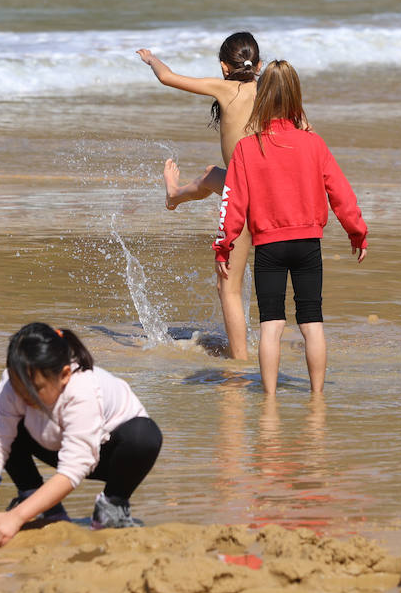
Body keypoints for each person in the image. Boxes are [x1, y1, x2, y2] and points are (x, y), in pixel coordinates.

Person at [212, 61, 368, 396]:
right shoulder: (314, 144)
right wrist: (357, 232)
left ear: (261, 97)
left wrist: (224, 245)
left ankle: (268, 399)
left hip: (269, 246)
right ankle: (317, 397)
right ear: (296, 96)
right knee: (312, 323)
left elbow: (233, 204)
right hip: (308, 243)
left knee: (271, 326)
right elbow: (340, 192)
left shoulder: (247, 148)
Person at [0, 322, 163, 547]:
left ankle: (112, 506)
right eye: (19, 388)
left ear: (65, 375)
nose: (24, 397)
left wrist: (16, 517)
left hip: (107, 454)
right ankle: (33, 495)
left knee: (144, 436)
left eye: (35, 389)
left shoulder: (82, 390)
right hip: (54, 442)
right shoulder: (13, 383)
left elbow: (73, 468)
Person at [137, 33, 261, 360]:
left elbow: (167, 77)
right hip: (268, 189)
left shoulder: (225, 87)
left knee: (228, 288)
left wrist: (151, 59)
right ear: (258, 64)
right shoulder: (270, 91)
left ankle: (240, 361)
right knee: (210, 175)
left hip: (242, 194)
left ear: (224, 66)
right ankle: (175, 195)